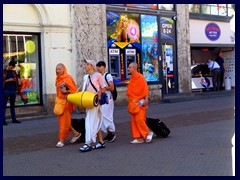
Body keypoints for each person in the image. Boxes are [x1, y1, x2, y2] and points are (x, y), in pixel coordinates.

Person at [79, 59, 107, 152]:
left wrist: (99, 94)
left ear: (92, 66)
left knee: (89, 122)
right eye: (86, 64)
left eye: (87, 64)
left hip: (95, 102)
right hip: (89, 102)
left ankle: (88, 143)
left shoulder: (98, 75)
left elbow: (104, 88)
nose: (85, 66)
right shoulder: (86, 77)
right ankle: (101, 142)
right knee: (95, 122)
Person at [55, 63, 81, 148]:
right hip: (59, 103)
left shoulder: (68, 78)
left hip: (66, 103)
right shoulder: (58, 79)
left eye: (59, 69)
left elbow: (74, 90)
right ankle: (76, 133)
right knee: (64, 122)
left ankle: (61, 140)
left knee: (64, 122)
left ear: (63, 69)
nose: (57, 71)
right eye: (56, 69)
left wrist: (66, 92)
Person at [126, 62, 153, 144]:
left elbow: (145, 89)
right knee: (134, 121)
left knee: (140, 119)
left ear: (134, 68)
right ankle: (139, 138)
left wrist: (146, 99)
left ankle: (148, 132)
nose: (128, 68)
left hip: (140, 102)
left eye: (130, 67)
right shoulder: (132, 78)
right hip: (132, 102)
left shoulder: (140, 77)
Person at [96, 61, 116, 143]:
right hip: (103, 99)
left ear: (104, 67)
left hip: (108, 99)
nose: (98, 68)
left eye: (100, 66)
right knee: (102, 116)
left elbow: (112, 88)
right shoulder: (99, 76)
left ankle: (112, 132)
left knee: (106, 116)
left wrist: (103, 88)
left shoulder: (107, 76)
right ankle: (109, 133)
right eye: (97, 66)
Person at [3, 60, 21, 125]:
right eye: (11, 67)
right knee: (4, 105)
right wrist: (7, 80)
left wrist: (15, 80)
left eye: (13, 67)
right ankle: (3, 120)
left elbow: (17, 79)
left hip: (13, 90)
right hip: (6, 90)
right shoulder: (4, 72)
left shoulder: (13, 72)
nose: (12, 68)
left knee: (12, 105)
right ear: (9, 65)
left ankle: (14, 119)